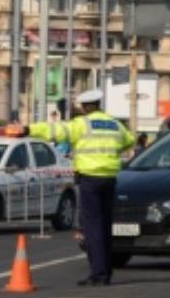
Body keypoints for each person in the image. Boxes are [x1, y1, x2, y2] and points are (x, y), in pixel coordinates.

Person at [14, 89, 134, 286]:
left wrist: (28, 130)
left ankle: (99, 274)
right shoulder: (114, 124)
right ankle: (106, 271)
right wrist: (111, 151)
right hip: (110, 178)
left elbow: (56, 131)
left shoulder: (82, 124)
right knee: (104, 226)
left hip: (90, 178)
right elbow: (129, 140)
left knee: (92, 227)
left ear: (85, 107)